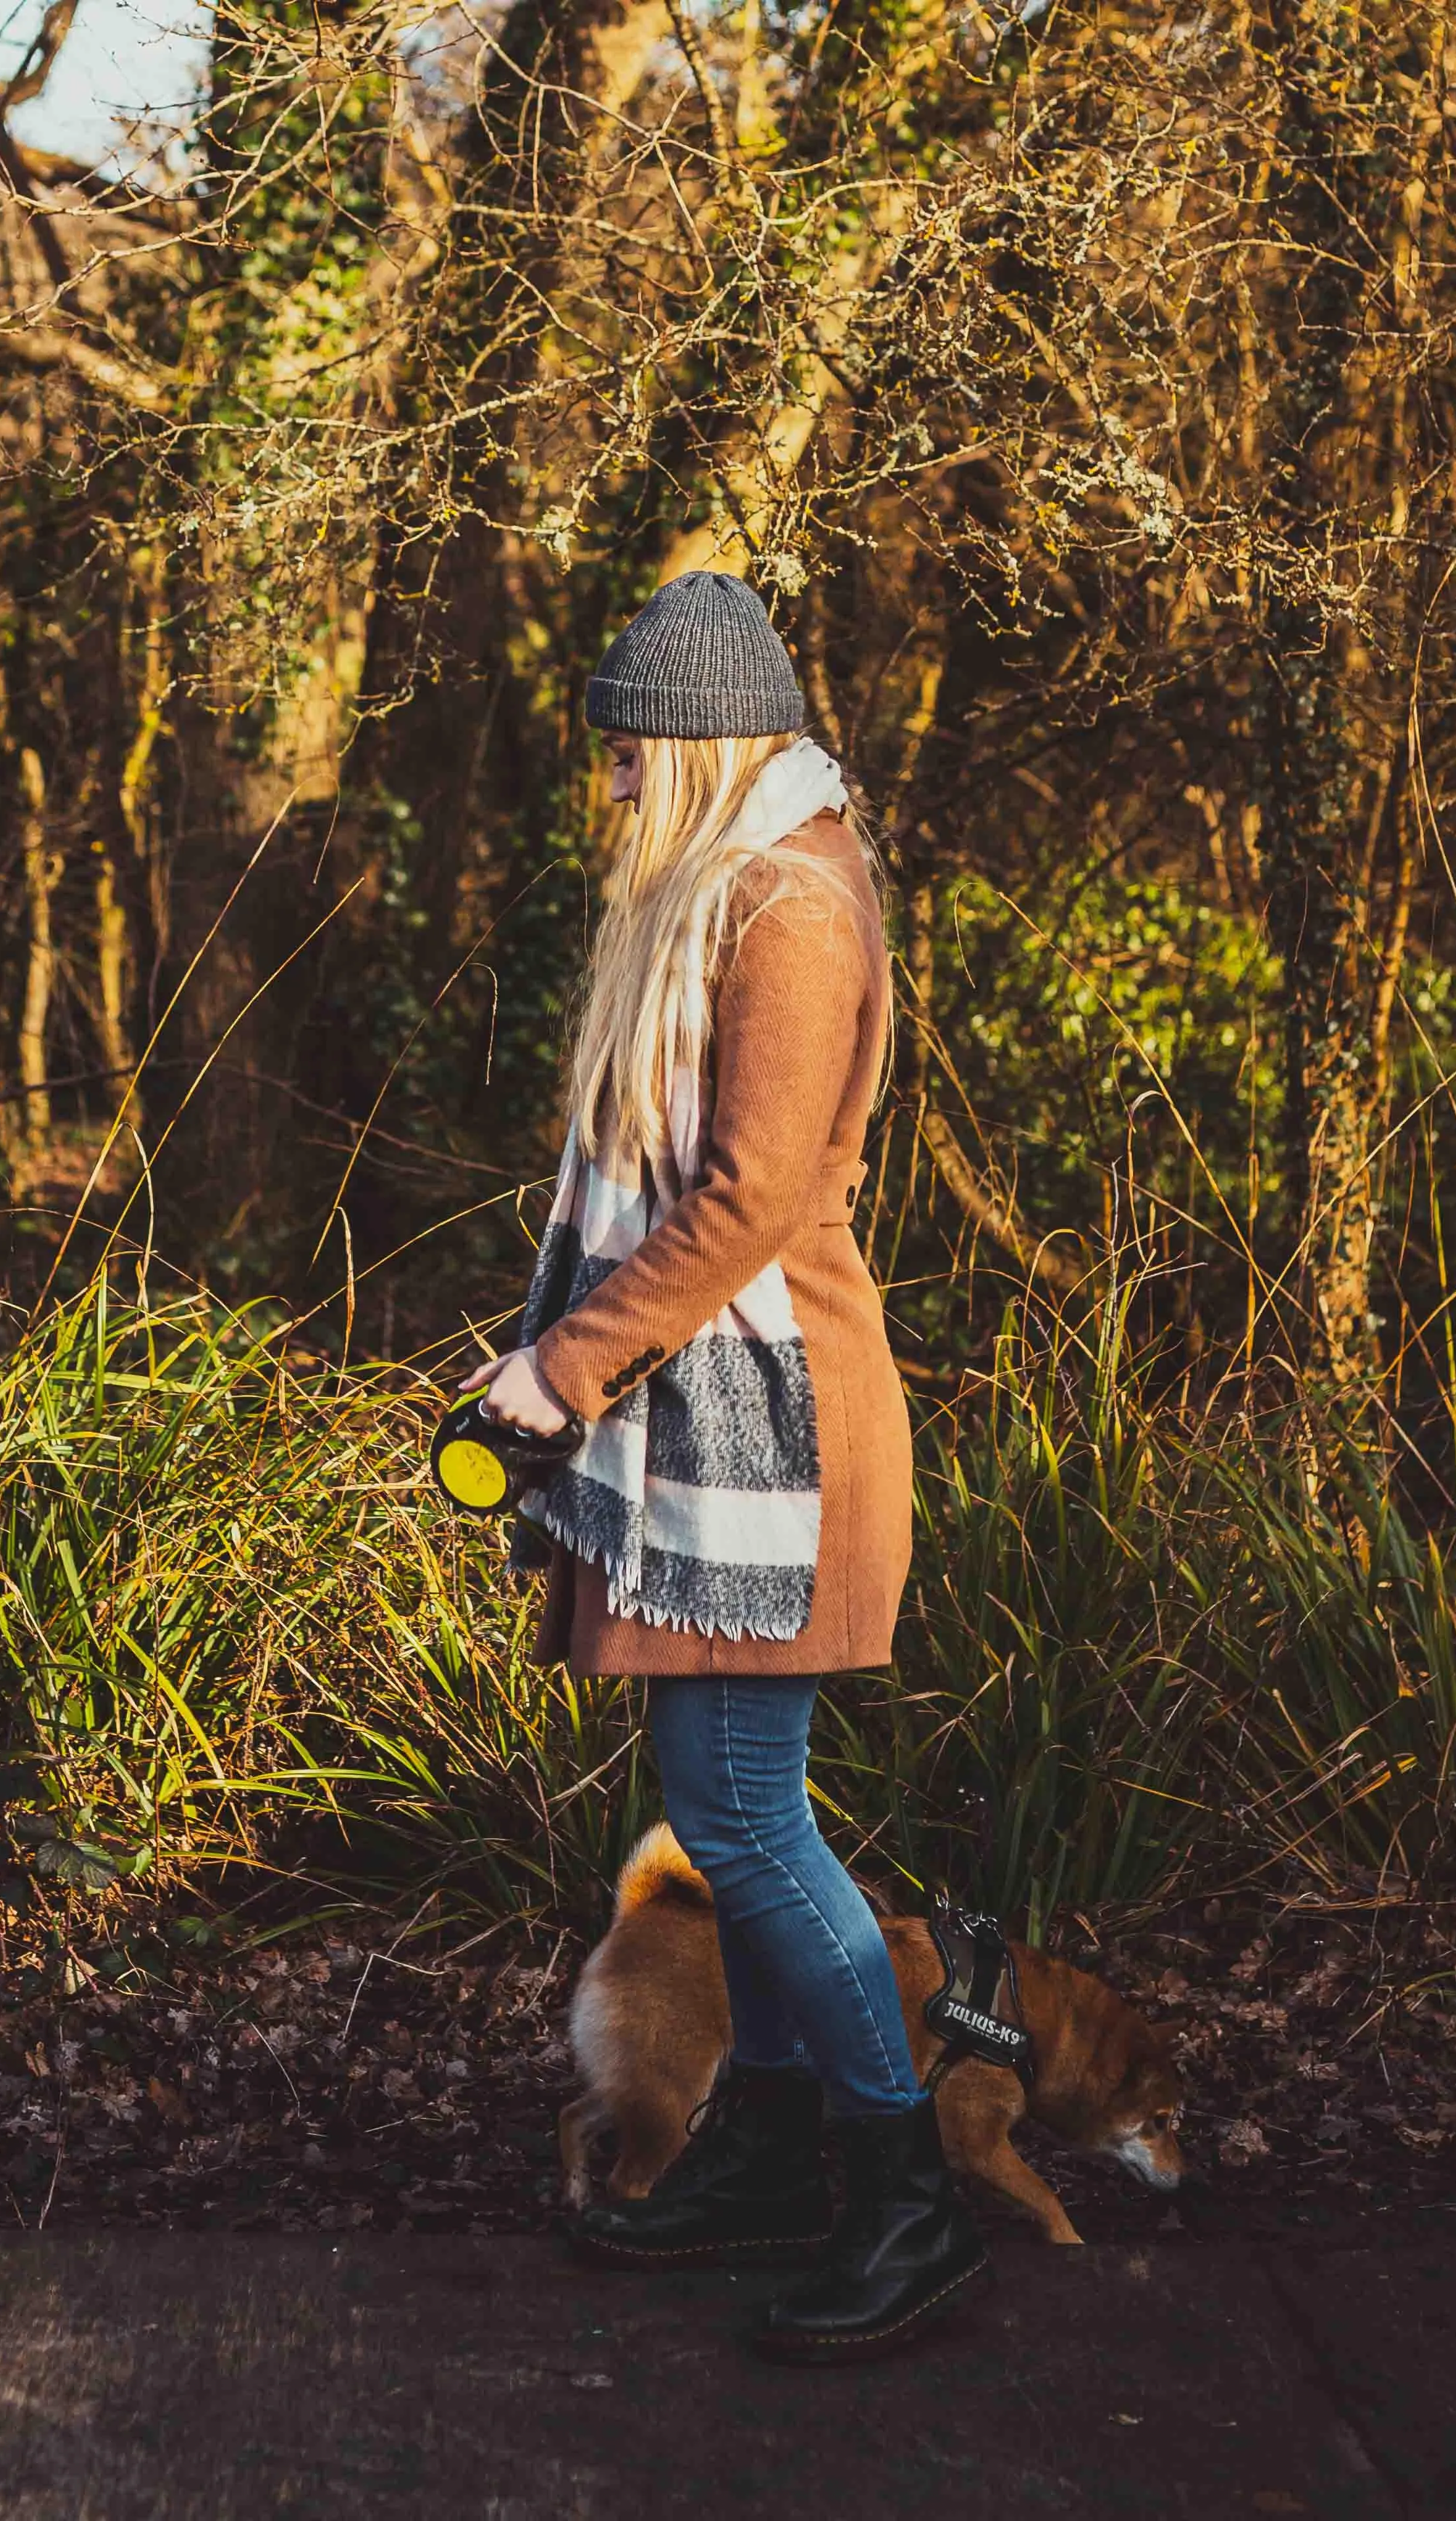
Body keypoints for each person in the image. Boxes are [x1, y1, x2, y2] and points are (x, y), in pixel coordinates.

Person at [461, 569, 986, 2363]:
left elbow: (749, 1194)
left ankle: (909, 2206)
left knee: (749, 1828)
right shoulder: (738, 883)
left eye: (624, 756)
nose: (607, 786)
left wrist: (568, 1362)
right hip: (707, 1441)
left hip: (777, 1443)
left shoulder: (790, 902)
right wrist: (560, 1358)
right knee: (734, 1814)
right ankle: (767, 2154)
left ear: (694, 750)